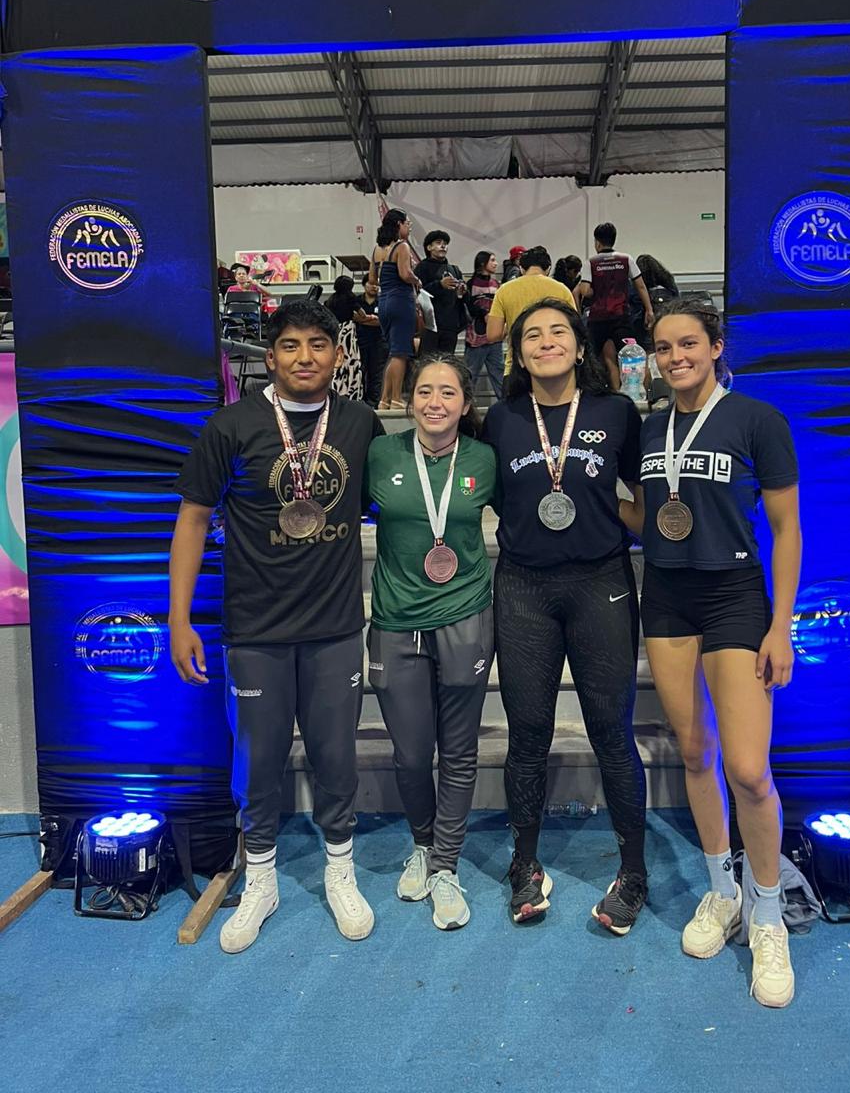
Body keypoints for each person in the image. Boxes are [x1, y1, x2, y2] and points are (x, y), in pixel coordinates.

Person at [169, 301, 384, 954]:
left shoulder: (360, 423)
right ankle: (260, 878)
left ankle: (340, 870)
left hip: (334, 626)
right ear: (271, 357)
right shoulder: (231, 426)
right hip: (255, 628)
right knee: (259, 759)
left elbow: (395, 501)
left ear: (337, 355)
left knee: (335, 756)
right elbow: (192, 520)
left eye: (318, 344)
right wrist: (179, 618)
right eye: (291, 345)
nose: (305, 357)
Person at [623, 298, 801, 1008]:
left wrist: (780, 625)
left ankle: (768, 914)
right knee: (695, 753)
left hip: (734, 598)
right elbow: (647, 518)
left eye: (689, 344)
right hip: (667, 598)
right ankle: (723, 891)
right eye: (664, 348)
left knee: (749, 770)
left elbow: (786, 529)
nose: (676, 358)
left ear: (716, 347)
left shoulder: (758, 420)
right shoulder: (649, 428)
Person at [483, 298, 649, 934]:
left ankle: (632, 871)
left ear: (581, 347)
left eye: (559, 332)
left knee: (611, 730)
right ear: (518, 353)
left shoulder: (616, 412)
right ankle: (525, 864)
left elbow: (642, 498)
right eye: (532, 335)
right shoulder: (500, 418)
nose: (546, 341)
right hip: (524, 587)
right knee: (528, 732)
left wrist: (618, 519)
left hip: (600, 582)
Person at [364, 355, 496, 930]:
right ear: (409, 399)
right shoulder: (381, 454)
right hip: (396, 619)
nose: (434, 402)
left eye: (447, 392)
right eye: (424, 391)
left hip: (465, 615)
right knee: (412, 754)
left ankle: (445, 864)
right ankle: (422, 845)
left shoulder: (484, 459)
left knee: (459, 751)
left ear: (465, 404)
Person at [581, 223, 654, 392]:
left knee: (590, 358)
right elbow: (641, 286)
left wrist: (596, 291)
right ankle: (640, 392)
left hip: (598, 319)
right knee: (632, 355)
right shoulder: (626, 259)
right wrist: (649, 310)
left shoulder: (591, 262)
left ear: (597, 242)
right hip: (621, 317)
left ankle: (592, 392)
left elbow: (584, 290)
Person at [484, 246, 576, 374]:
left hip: (517, 366)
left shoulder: (504, 290)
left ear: (521, 268)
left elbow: (493, 335)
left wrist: (510, 325)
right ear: (548, 268)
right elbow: (575, 330)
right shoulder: (562, 290)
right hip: (554, 365)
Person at [369, 209, 420, 410]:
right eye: (408, 223)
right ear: (399, 224)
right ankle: (397, 398)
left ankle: (385, 399)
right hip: (400, 300)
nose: (409, 227)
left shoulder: (377, 249)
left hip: (383, 302)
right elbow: (405, 274)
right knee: (401, 353)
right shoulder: (402, 246)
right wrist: (417, 280)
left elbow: (372, 279)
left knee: (393, 353)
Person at [414, 231, 468, 353]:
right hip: (430, 325)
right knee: (428, 360)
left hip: (451, 325)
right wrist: (439, 285)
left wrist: (462, 292)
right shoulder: (422, 267)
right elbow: (417, 292)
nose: (443, 246)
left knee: (448, 360)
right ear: (429, 247)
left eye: (445, 243)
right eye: (438, 243)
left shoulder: (454, 269)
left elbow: (463, 298)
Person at [464, 250, 504, 401]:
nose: (495, 263)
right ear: (482, 263)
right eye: (492, 260)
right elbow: (468, 306)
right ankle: (466, 406)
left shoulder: (497, 285)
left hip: (495, 338)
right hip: (476, 338)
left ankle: (505, 406)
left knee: (499, 375)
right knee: (470, 375)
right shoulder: (470, 284)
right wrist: (483, 314)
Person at [325, 276, 364, 402]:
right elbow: (362, 314)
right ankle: (353, 391)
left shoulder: (331, 299)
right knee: (351, 360)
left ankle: (337, 389)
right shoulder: (350, 297)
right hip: (348, 330)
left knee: (338, 361)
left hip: (335, 331)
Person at [354, 277, 387, 408]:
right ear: (364, 284)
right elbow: (354, 317)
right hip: (360, 341)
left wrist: (363, 319)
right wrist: (372, 319)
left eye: (377, 284)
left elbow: (382, 321)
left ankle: (373, 402)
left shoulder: (383, 301)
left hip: (379, 341)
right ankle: (359, 400)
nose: (374, 287)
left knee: (376, 373)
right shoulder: (356, 301)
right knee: (360, 371)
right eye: (371, 283)